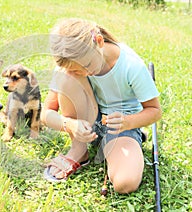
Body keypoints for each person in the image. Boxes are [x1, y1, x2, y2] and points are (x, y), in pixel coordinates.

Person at [41, 18, 162, 194]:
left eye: (87, 65)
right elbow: (46, 114)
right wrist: (70, 124)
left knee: (125, 183)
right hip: (86, 121)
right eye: (76, 70)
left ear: (99, 41)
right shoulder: (68, 67)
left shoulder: (131, 65)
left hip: (120, 126)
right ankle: (78, 150)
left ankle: (122, 144)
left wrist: (128, 122)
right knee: (66, 78)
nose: (84, 73)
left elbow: (155, 111)